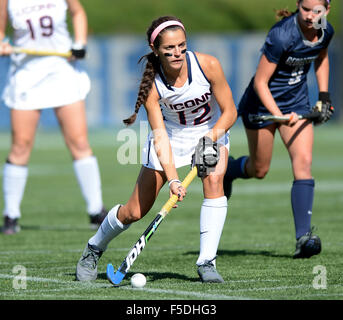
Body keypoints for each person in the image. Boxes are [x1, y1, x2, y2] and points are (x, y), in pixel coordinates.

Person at [76, 16, 237, 283]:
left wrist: (209, 139)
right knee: (134, 212)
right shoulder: (153, 85)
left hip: (210, 131)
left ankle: (207, 262)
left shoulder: (208, 65)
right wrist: (173, 179)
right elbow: (160, 136)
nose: (177, 53)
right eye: (169, 48)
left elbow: (230, 111)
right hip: (170, 139)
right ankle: (94, 248)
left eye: (182, 46)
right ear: (156, 50)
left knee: (215, 180)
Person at [223, 0, 334, 258]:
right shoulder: (282, 35)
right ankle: (229, 170)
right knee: (259, 169)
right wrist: (280, 116)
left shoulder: (325, 31)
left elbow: (322, 57)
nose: (310, 15)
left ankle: (302, 238)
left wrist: (325, 96)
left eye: (316, 10)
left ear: (326, 10)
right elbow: (261, 82)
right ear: (298, 5)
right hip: (261, 105)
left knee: (303, 163)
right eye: (305, 8)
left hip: (296, 102)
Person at [0, 0, 107, 235]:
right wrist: (1, 43)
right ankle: (11, 215)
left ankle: (96, 210)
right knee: (21, 145)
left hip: (62, 70)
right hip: (26, 74)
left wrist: (80, 42)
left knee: (79, 142)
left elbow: (78, 13)